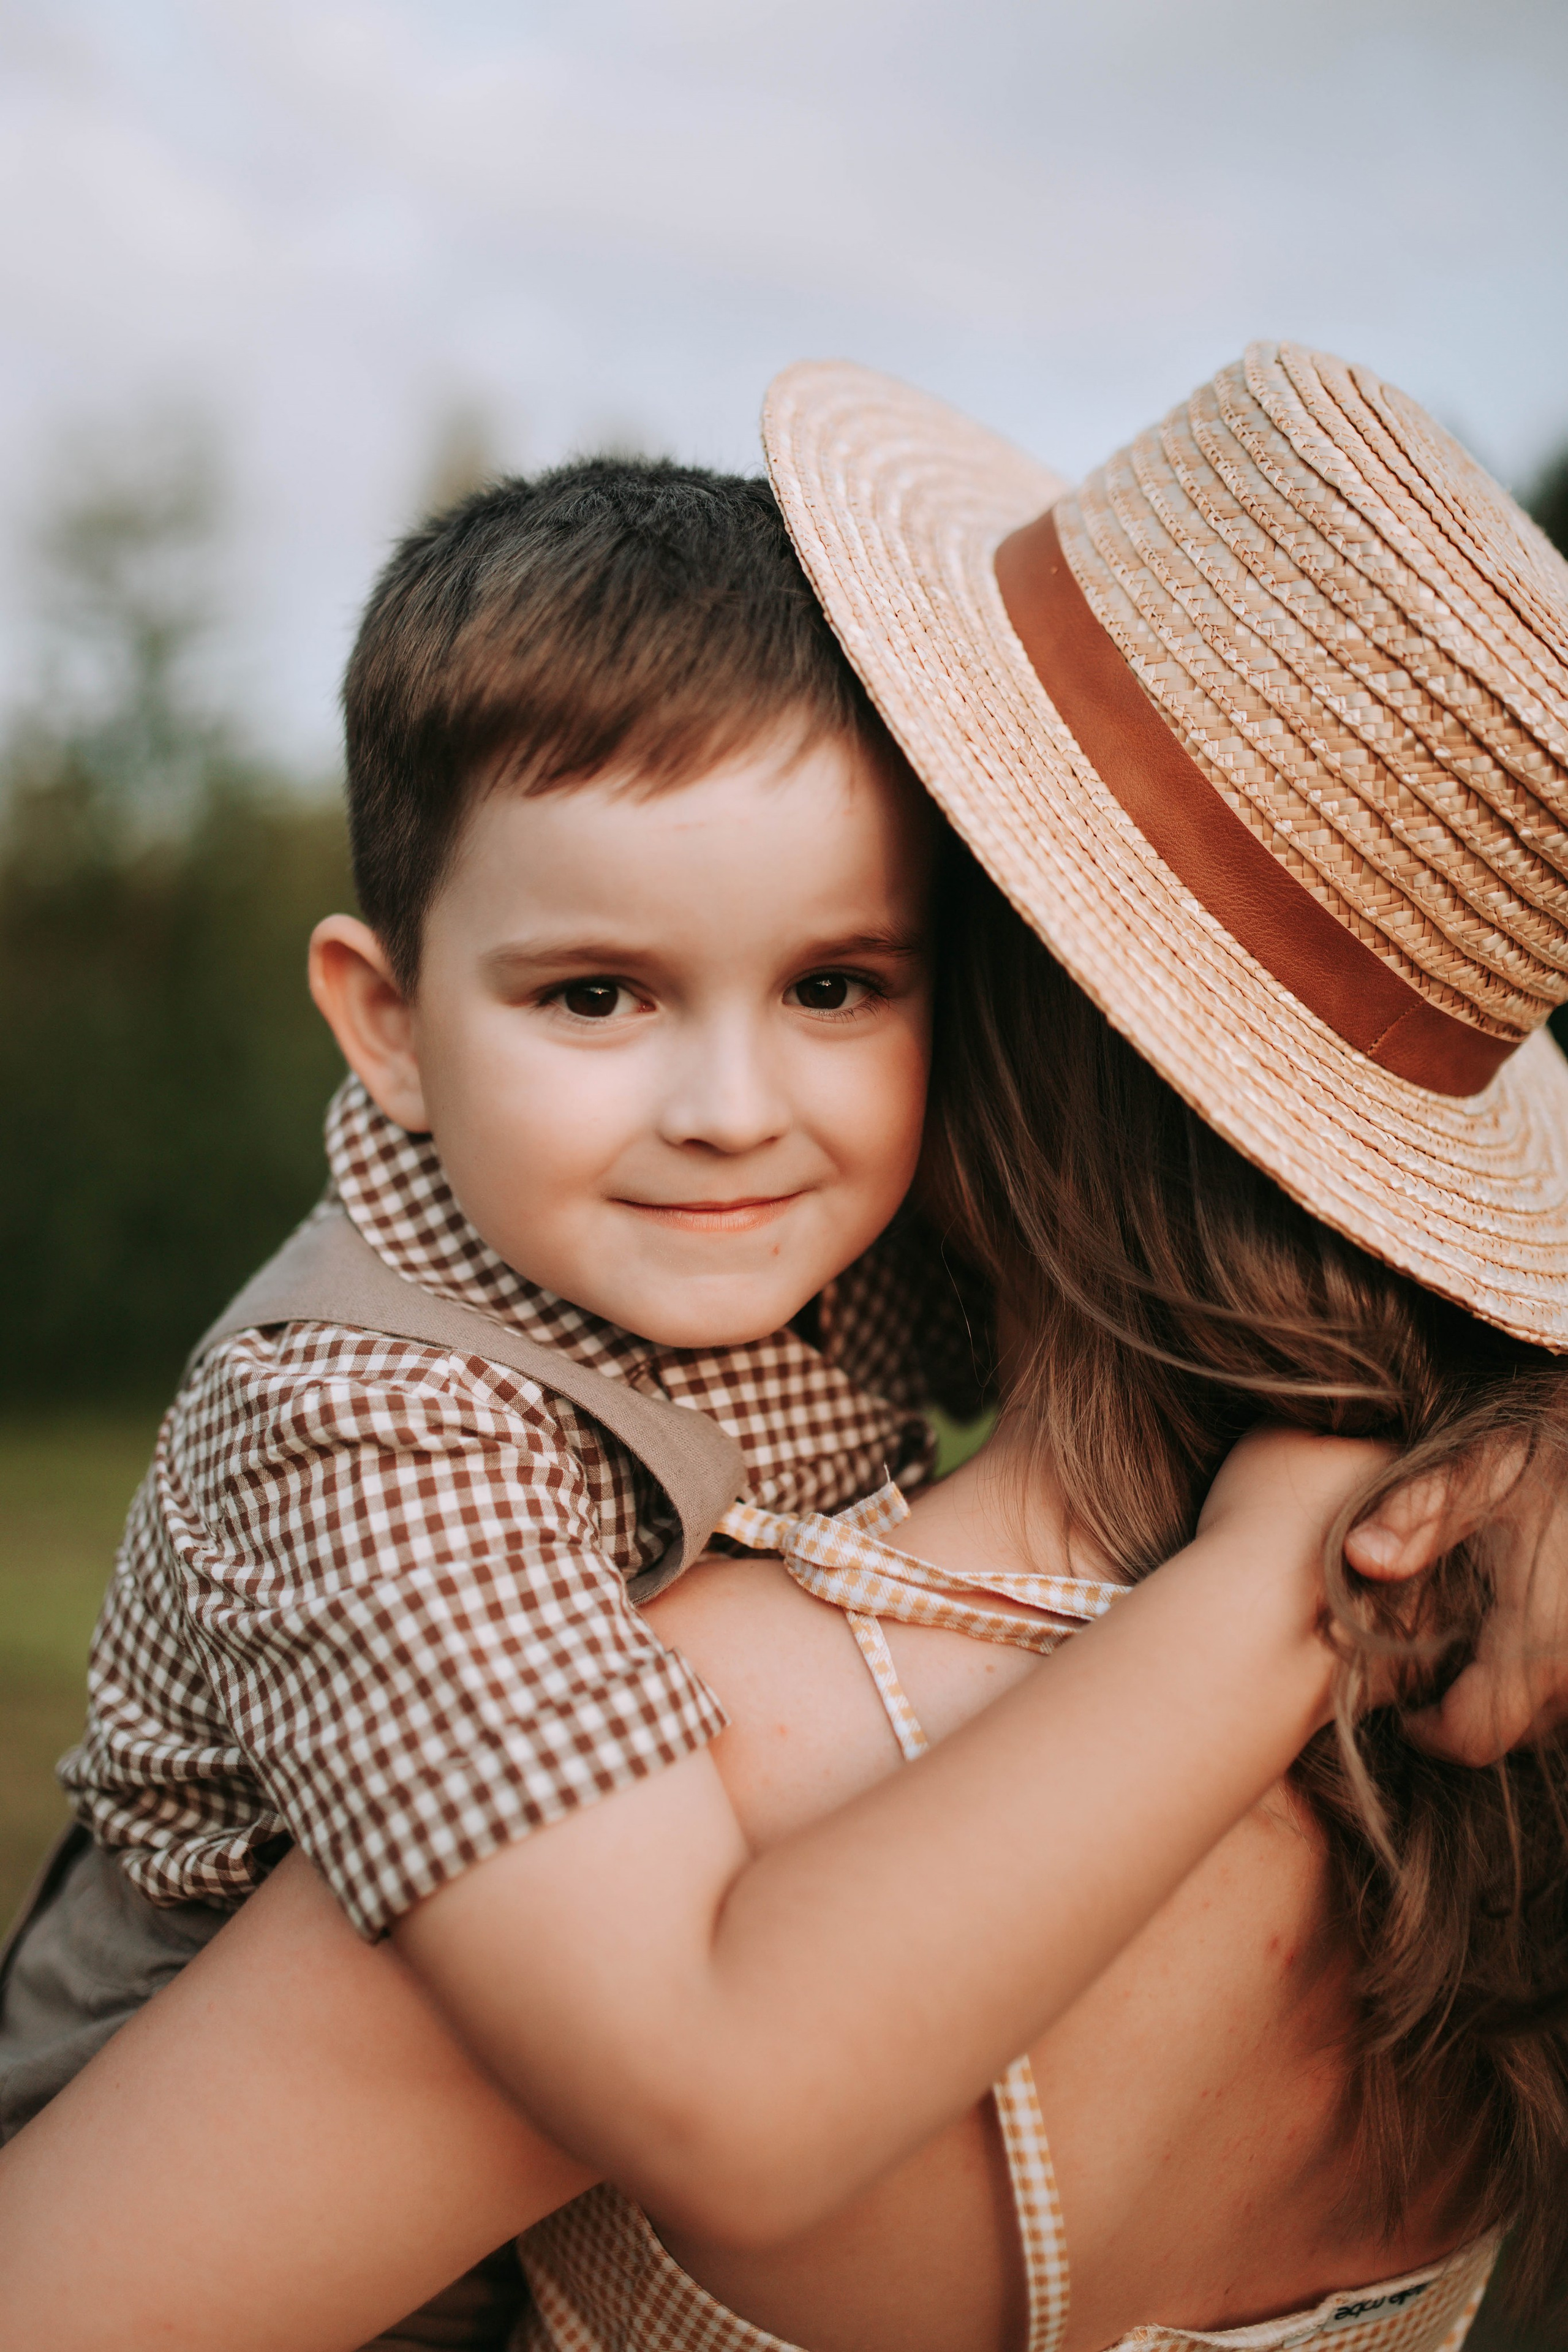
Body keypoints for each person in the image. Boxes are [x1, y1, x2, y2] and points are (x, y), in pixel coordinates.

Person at [7, 339, 1568, 2352]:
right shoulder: (369, 1426)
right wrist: (1301, 1554)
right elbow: (724, 2084)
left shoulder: (805, 1256)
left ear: (972, 989)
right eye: (596, 994)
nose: (734, 1110)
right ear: (385, 1020)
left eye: (838, 983)